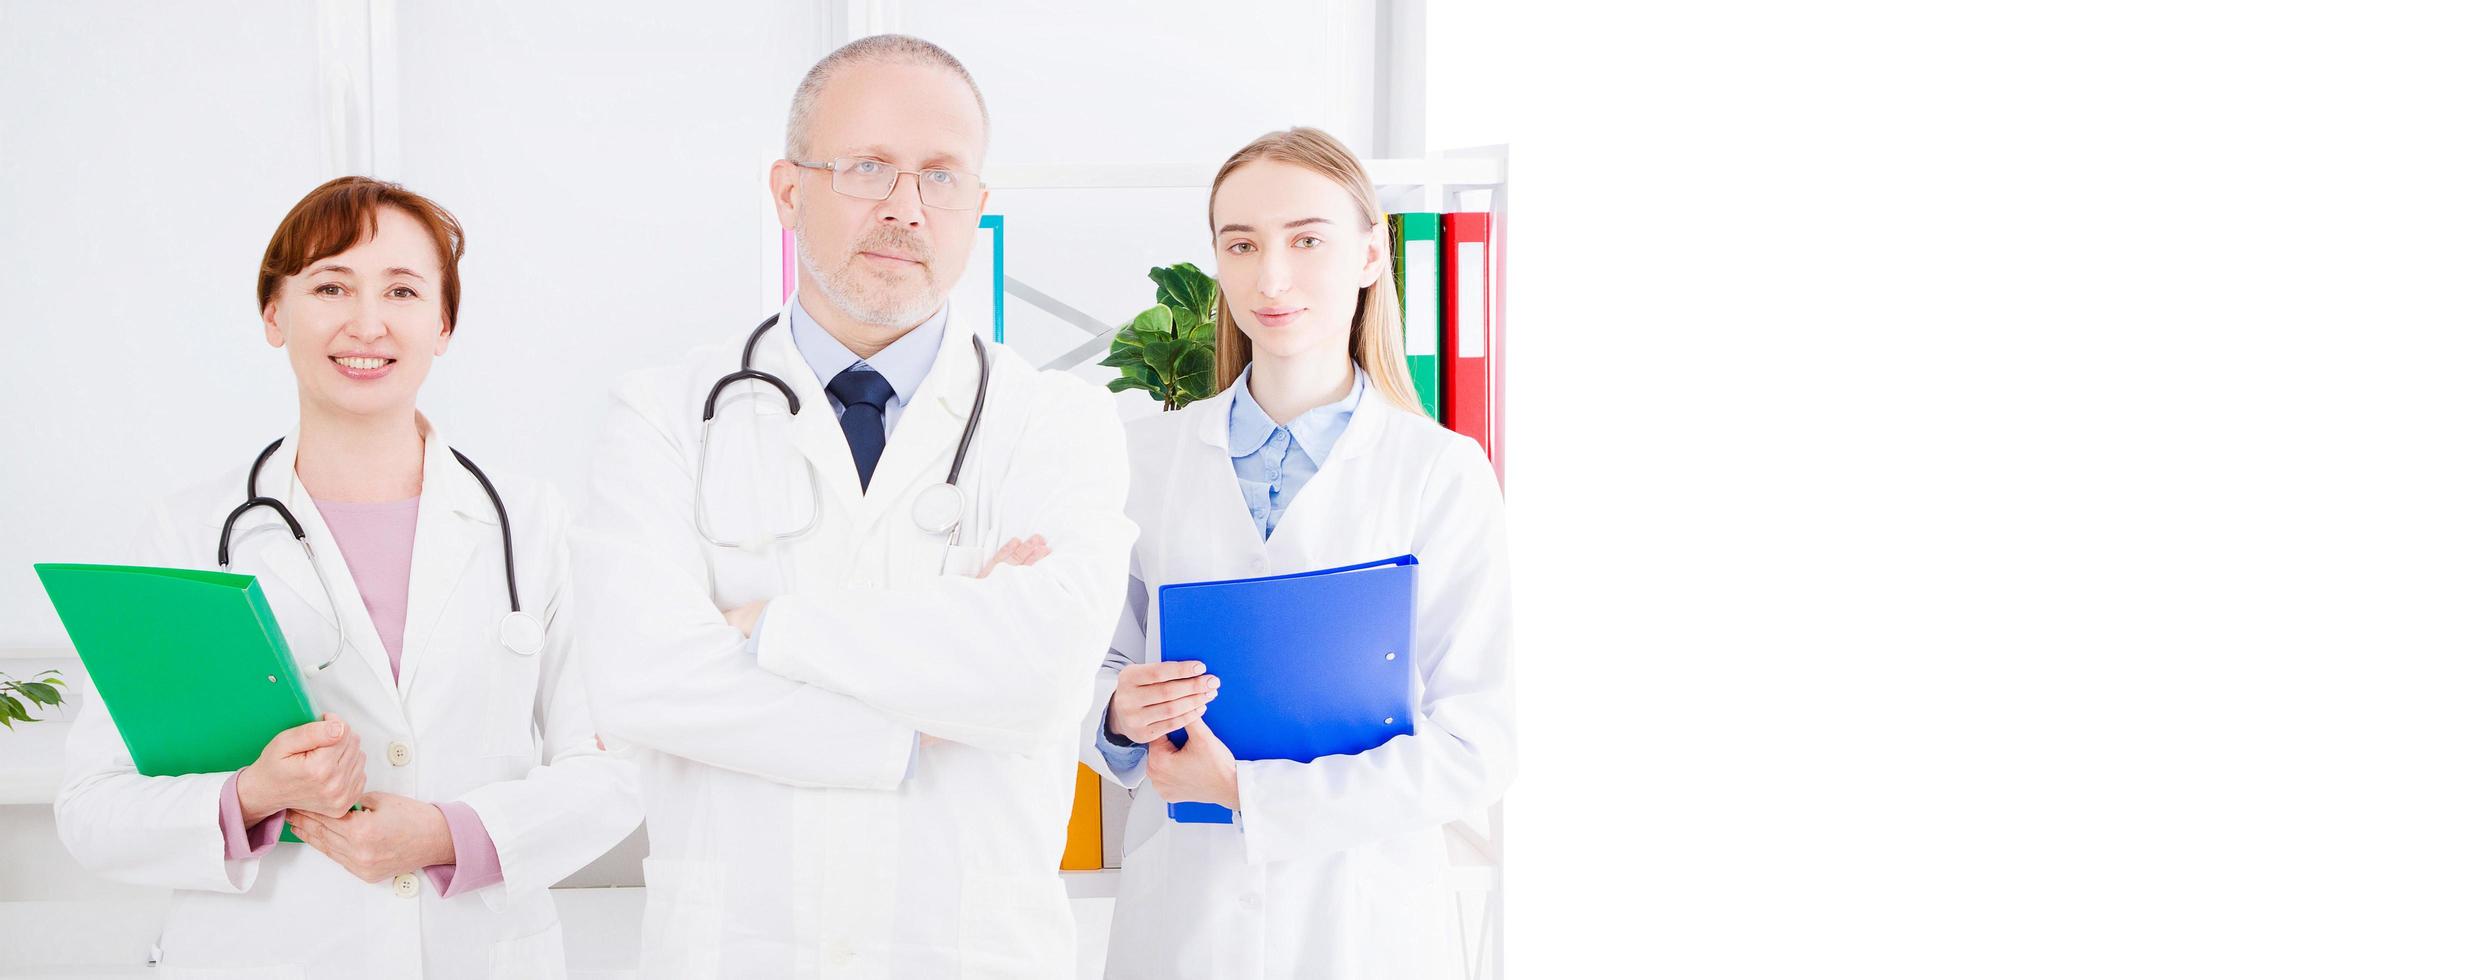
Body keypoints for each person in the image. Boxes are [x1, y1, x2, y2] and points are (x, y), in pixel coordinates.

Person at [573, 34, 1134, 977]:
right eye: (869, 167)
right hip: (737, 952)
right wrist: (926, 710)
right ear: (789, 191)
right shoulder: (665, 414)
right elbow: (638, 676)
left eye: (941, 177)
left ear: (978, 207)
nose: (906, 208)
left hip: (967, 951)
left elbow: (1041, 679)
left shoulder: (1059, 423)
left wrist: (769, 629)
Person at [54, 175, 642, 978]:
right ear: (273, 313)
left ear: (442, 323)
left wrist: (444, 834)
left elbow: (614, 770)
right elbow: (93, 808)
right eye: (331, 285)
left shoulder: (533, 524)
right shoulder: (185, 535)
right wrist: (249, 797)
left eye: (401, 290)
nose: (367, 322)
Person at [1083, 127, 1517, 980]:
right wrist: (1115, 716)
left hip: (1365, 924)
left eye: (1305, 240)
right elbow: (1085, 668)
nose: (1270, 278)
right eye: (1240, 244)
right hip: (1185, 920)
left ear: (1367, 255)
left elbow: (1479, 741)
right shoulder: (1142, 461)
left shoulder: (1438, 472)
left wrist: (1250, 795)